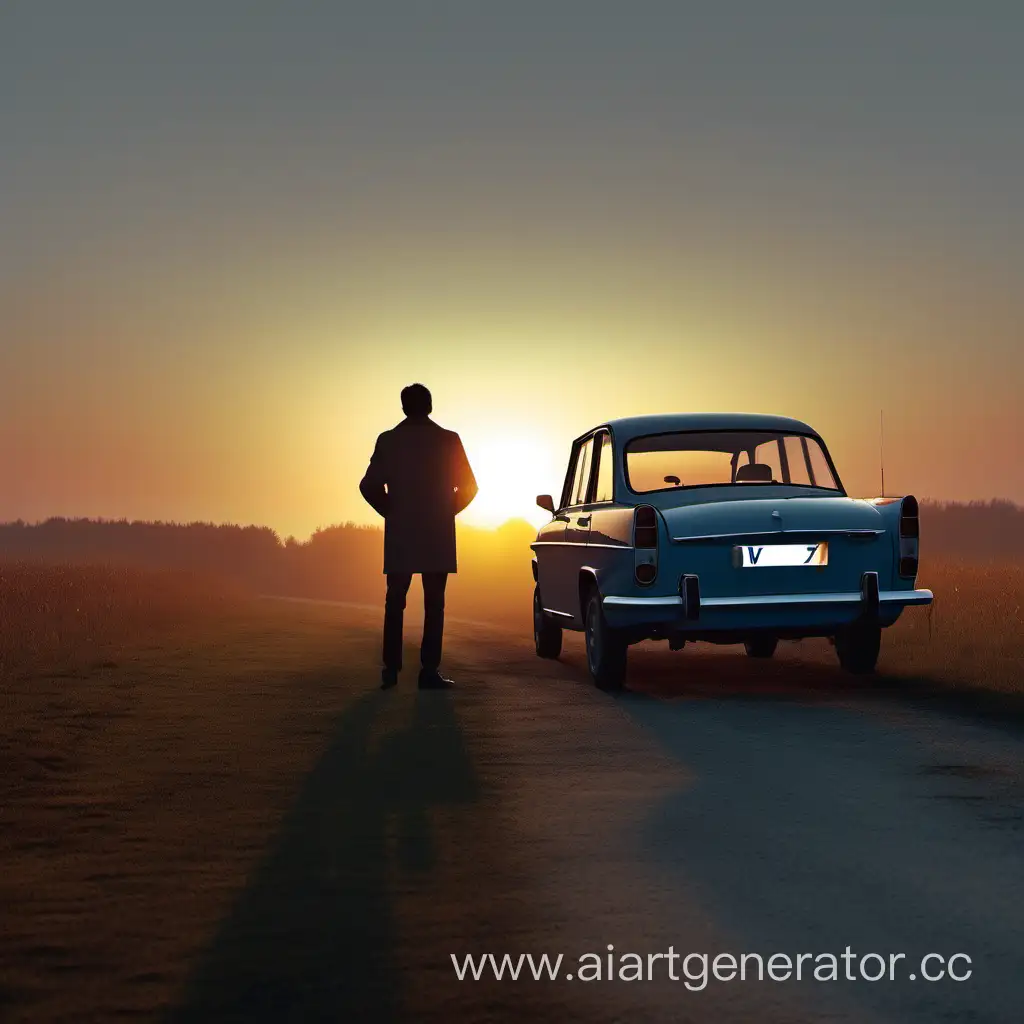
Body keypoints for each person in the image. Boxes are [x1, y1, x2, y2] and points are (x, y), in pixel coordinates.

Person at [359, 384, 478, 689]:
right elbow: (470, 487)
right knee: (434, 603)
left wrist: (391, 512)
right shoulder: (448, 441)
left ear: (403, 408)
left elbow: (368, 486)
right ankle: (428, 671)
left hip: (401, 535)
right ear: (430, 406)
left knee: (395, 600)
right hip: (436, 535)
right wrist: (446, 511)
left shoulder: (389, 441)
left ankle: (390, 670)